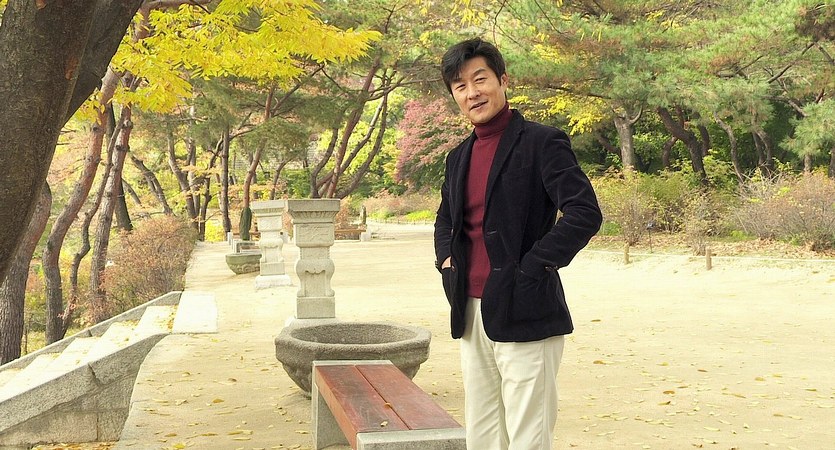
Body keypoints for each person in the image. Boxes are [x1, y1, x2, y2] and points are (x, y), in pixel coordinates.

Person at [433, 38, 603, 450]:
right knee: (482, 435)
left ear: (503, 80)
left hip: (527, 307)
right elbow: (446, 220)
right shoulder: (458, 157)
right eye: (460, 86)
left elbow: (584, 212)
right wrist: (447, 262)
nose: (472, 93)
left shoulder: (542, 142)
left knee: (528, 436)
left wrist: (533, 267)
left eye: (480, 79)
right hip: (470, 310)